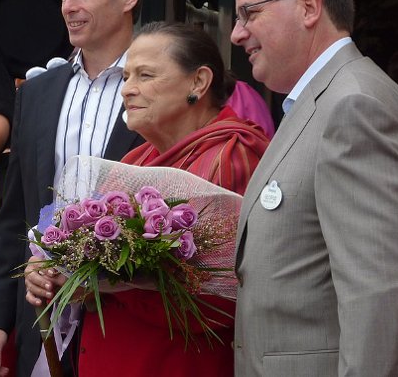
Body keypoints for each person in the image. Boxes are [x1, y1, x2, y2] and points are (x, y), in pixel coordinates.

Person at [230, 0, 398, 375]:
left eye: (250, 12)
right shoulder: (320, 99)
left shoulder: (353, 105)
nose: (236, 33)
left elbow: (377, 298)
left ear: (308, 8)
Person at [24, 22, 270, 376]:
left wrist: (104, 282)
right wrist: (54, 272)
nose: (127, 90)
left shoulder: (230, 156)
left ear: (198, 82)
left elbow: (219, 302)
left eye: (145, 75)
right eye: (125, 77)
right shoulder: (131, 161)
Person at [0, 0, 148, 377]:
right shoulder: (36, 93)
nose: (68, 6)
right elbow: (14, 216)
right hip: (43, 324)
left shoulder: (159, 88)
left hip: (127, 327)